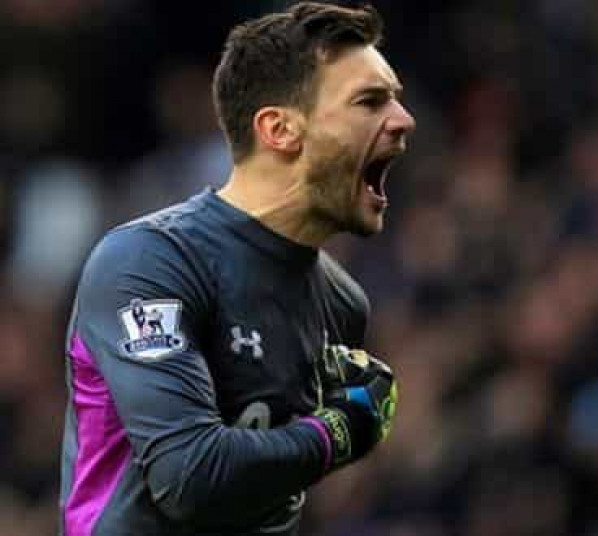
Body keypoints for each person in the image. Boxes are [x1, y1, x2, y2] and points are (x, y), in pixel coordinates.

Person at [58, 2, 415, 535]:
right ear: (279, 129)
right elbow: (188, 477)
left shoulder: (343, 304)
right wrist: (335, 435)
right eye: (369, 101)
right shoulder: (149, 262)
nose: (403, 120)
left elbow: (276, 488)